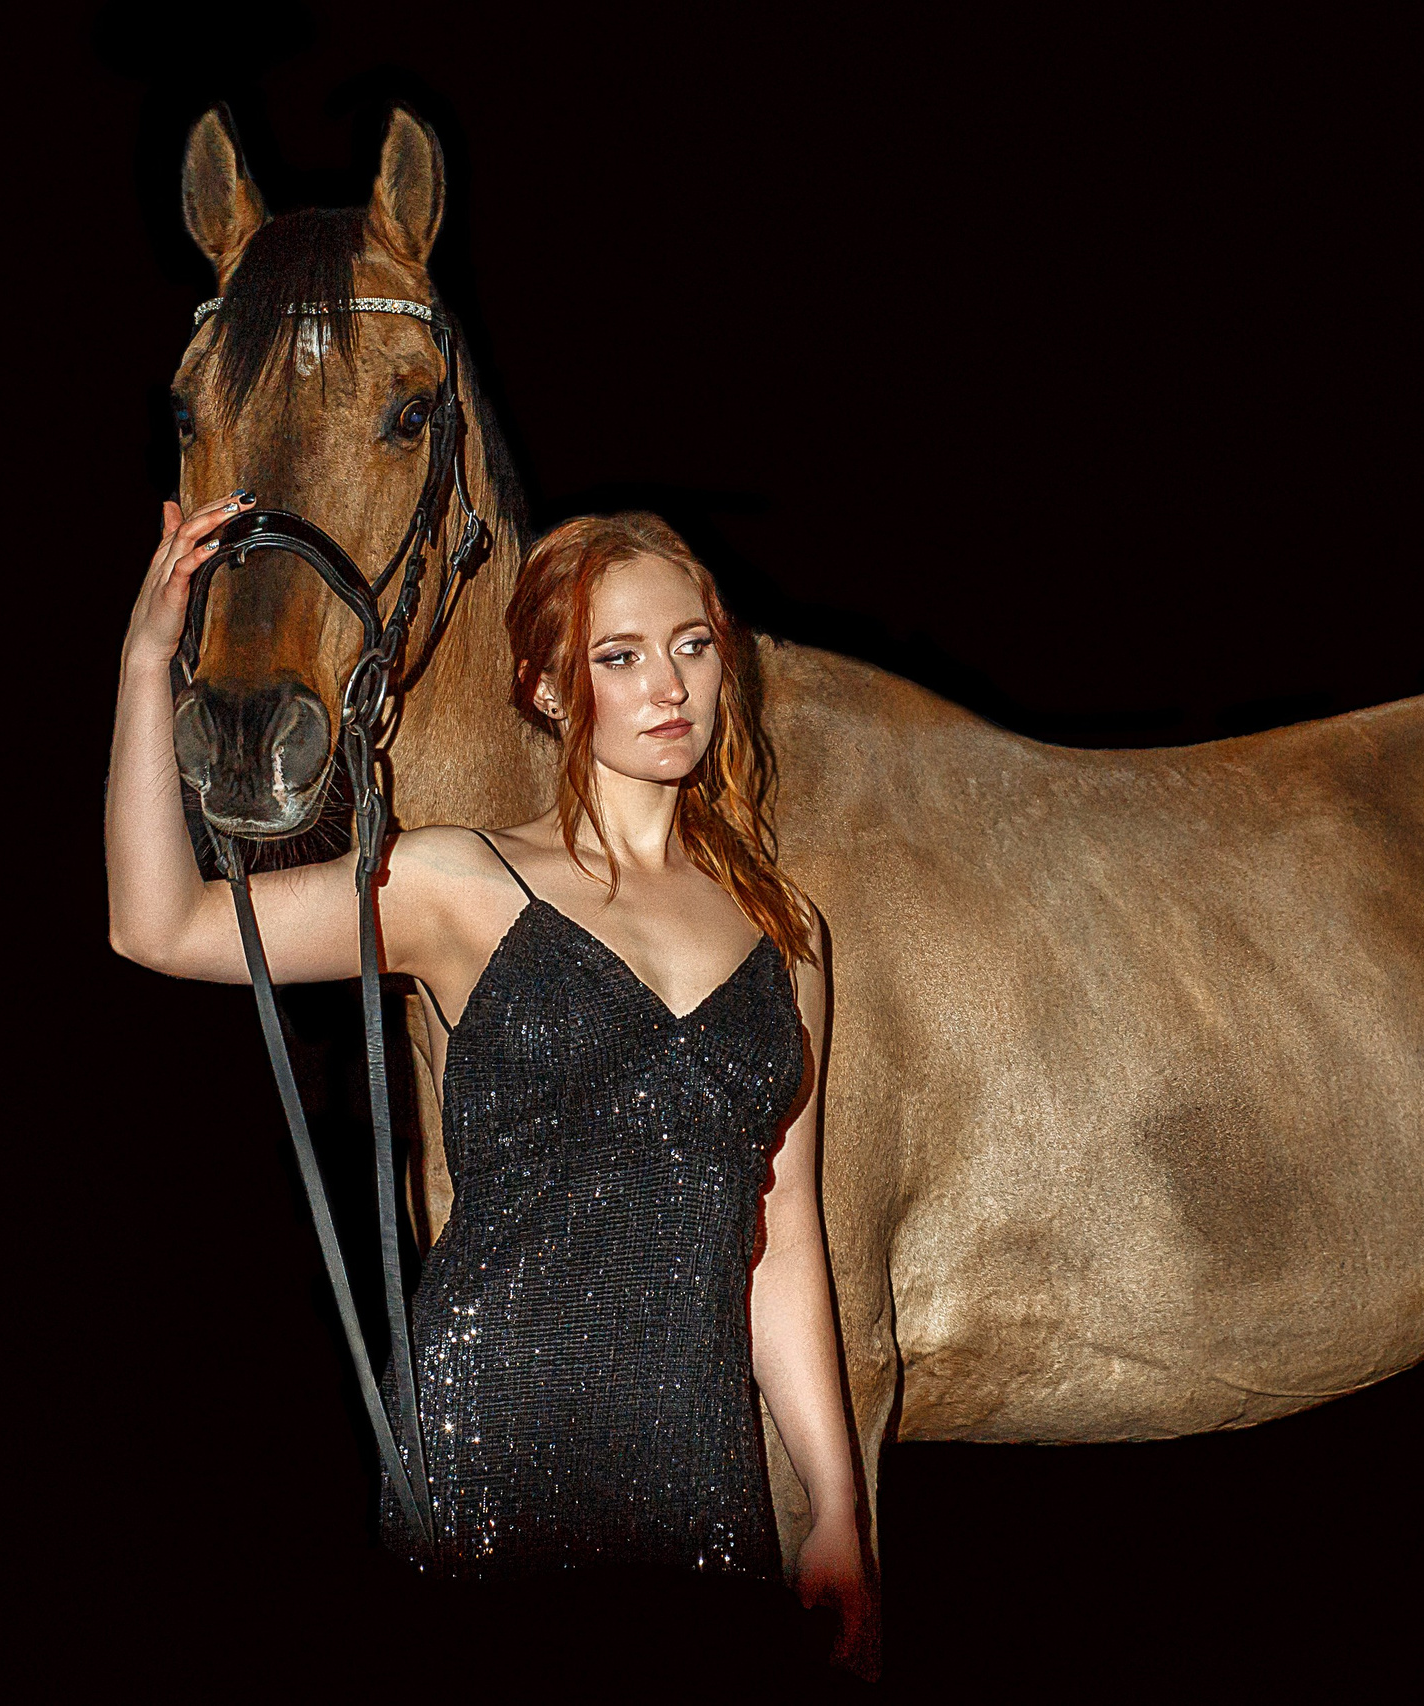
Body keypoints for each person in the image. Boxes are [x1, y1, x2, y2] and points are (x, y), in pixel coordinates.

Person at [106, 503, 873, 1665]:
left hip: (696, 1457)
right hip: (495, 1424)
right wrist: (145, 661)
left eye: (691, 643)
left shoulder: (790, 936)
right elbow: (156, 924)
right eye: (619, 657)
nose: (667, 684)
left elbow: (783, 1241)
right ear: (554, 690)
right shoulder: (460, 882)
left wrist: (833, 1501)